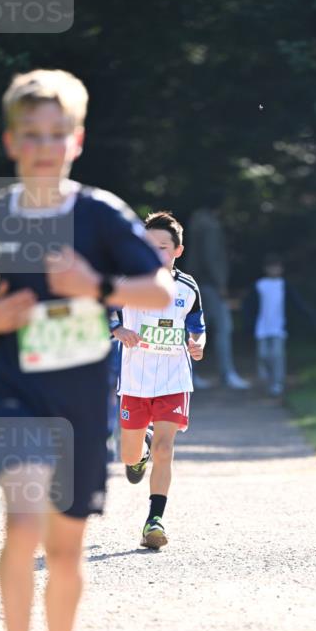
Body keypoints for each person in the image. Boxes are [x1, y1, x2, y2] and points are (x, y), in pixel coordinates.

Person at [0, 69, 174, 631]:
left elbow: (159, 293)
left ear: (76, 140)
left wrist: (98, 284)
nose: (45, 145)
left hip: (81, 400)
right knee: (23, 525)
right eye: (32, 134)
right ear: (11, 141)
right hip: (19, 395)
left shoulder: (99, 214)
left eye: (57, 134)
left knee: (67, 547)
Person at [114, 210, 205, 549]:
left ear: (177, 251)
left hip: (173, 378)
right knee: (127, 456)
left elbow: (198, 326)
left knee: (167, 448)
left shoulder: (188, 286)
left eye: (163, 247)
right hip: (136, 380)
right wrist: (117, 329)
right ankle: (141, 450)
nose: (156, 254)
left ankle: (155, 520)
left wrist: (198, 345)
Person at [186, 193, 249, 389]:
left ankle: (190, 373)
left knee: (194, 328)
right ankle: (227, 373)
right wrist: (221, 283)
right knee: (223, 328)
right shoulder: (211, 226)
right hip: (211, 285)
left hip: (195, 282)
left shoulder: (195, 221)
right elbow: (212, 257)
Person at [242, 254, 315, 397]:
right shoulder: (259, 285)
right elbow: (249, 306)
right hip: (262, 327)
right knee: (263, 355)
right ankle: (270, 379)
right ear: (266, 269)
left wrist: (307, 313)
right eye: (271, 267)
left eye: (277, 267)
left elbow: (296, 303)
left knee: (277, 355)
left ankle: (277, 383)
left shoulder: (284, 285)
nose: (274, 270)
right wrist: (248, 323)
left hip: (279, 327)